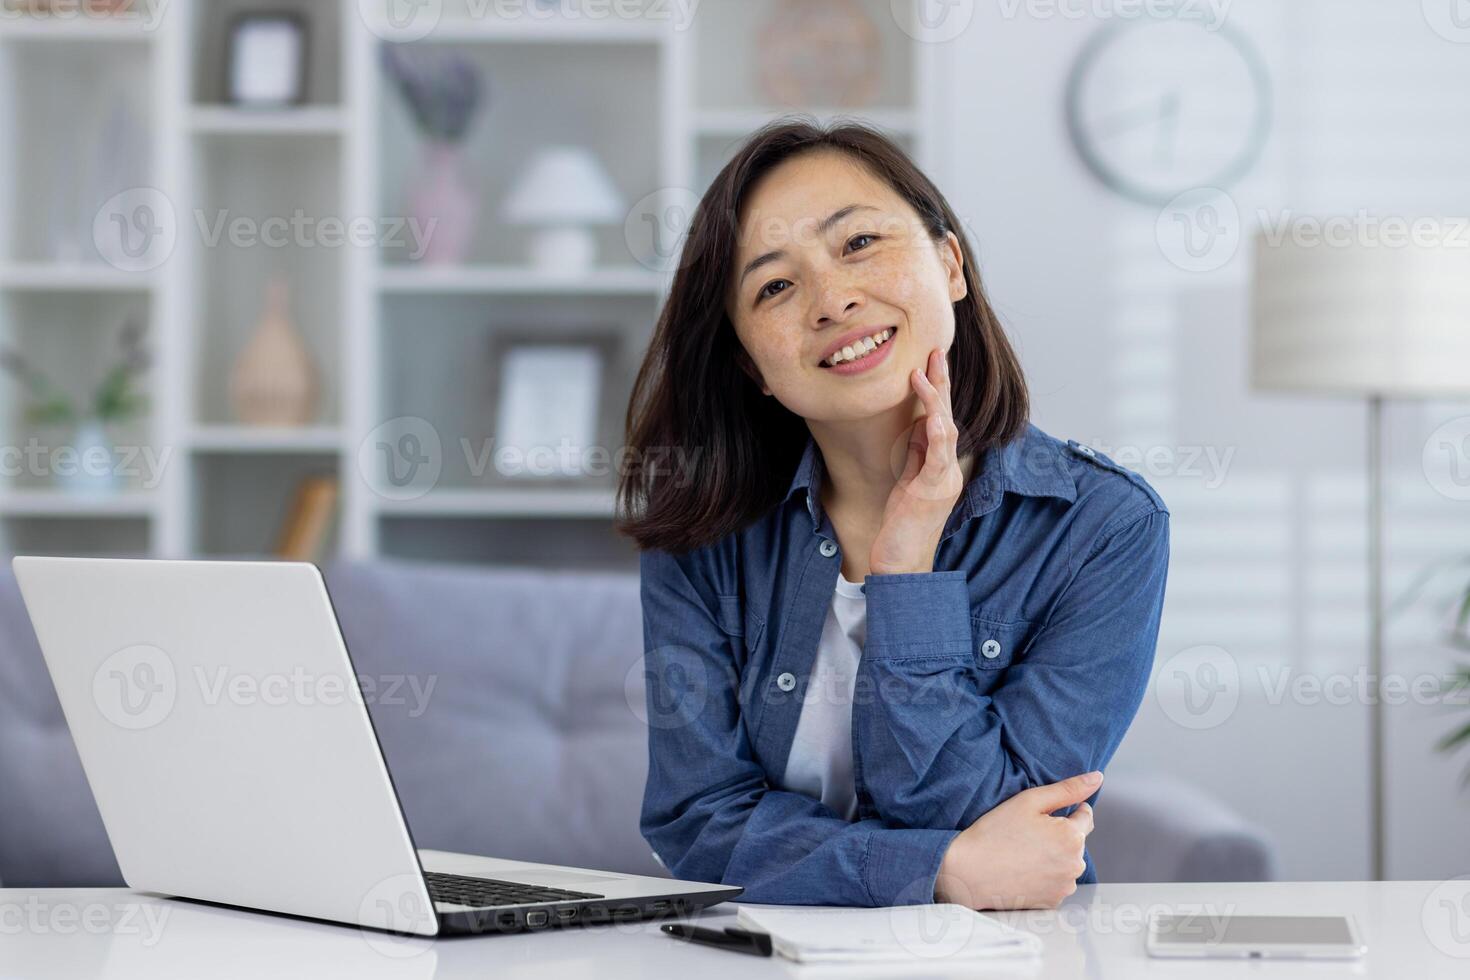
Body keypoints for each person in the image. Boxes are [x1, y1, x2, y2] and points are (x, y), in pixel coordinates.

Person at [616, 120, 1169, 909]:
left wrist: (905, 572)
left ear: (950, 265)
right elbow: (698, 824)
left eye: (859, 243)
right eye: (775, 286)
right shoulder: (701, 535)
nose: (833, 299)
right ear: (752, 366)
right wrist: (940, 872)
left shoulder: (1103, 527)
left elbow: (1013, 827)